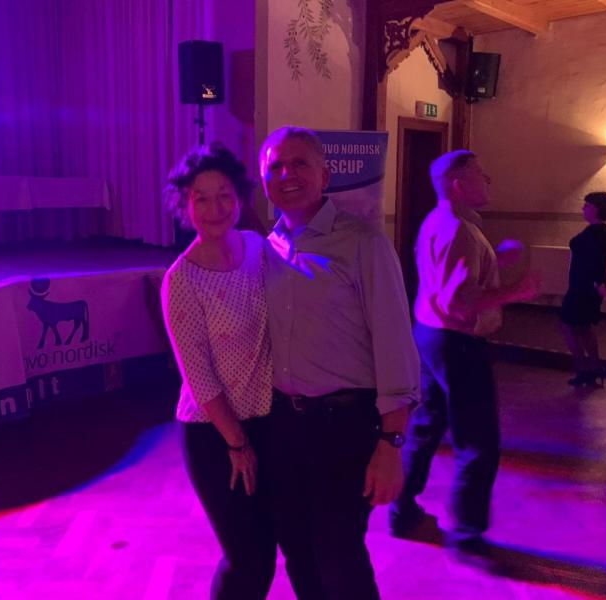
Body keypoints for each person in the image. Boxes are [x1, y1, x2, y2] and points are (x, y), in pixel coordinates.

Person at [260, 126, 420, 599]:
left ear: (325, 176)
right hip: (282, 425)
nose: (286, 174)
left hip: (344, 427)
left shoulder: (364, 244)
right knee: (296, 547)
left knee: (338, 554)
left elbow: (395, 346)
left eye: (299, 163)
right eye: (275, 166)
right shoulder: (265, 248)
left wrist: (391, 444)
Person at [389, 150, 539, 563]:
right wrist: (517, 291)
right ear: (458, 184)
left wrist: (497, 262)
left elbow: (447, 280)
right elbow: (457, 303)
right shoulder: (460, 230)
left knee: (426, 428)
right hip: (456, 343)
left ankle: (402, 511)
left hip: (430, 336)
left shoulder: (439, 221)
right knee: (478, 440)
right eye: (480, 175)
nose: (488, 180)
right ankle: (467, 533)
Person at [160, 143, 276, 599]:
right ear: (184, 205)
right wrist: (237, 443)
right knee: (248, 557)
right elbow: (200, 377)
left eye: (224, 194)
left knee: (266, 548)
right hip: (215, 434)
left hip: (266, 421)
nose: (215, 209)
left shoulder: (256, 248)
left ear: (240, 196)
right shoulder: (182, 280)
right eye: (201, 198)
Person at [560, 192, 606, 387]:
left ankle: (584, 368)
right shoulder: (603, 231)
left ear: (597, 208)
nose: (583, 208)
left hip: (585, 287)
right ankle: (594, 367)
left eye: (587, 205)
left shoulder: (598, 233)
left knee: (568, 325)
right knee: (583, 327)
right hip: (586, 286)